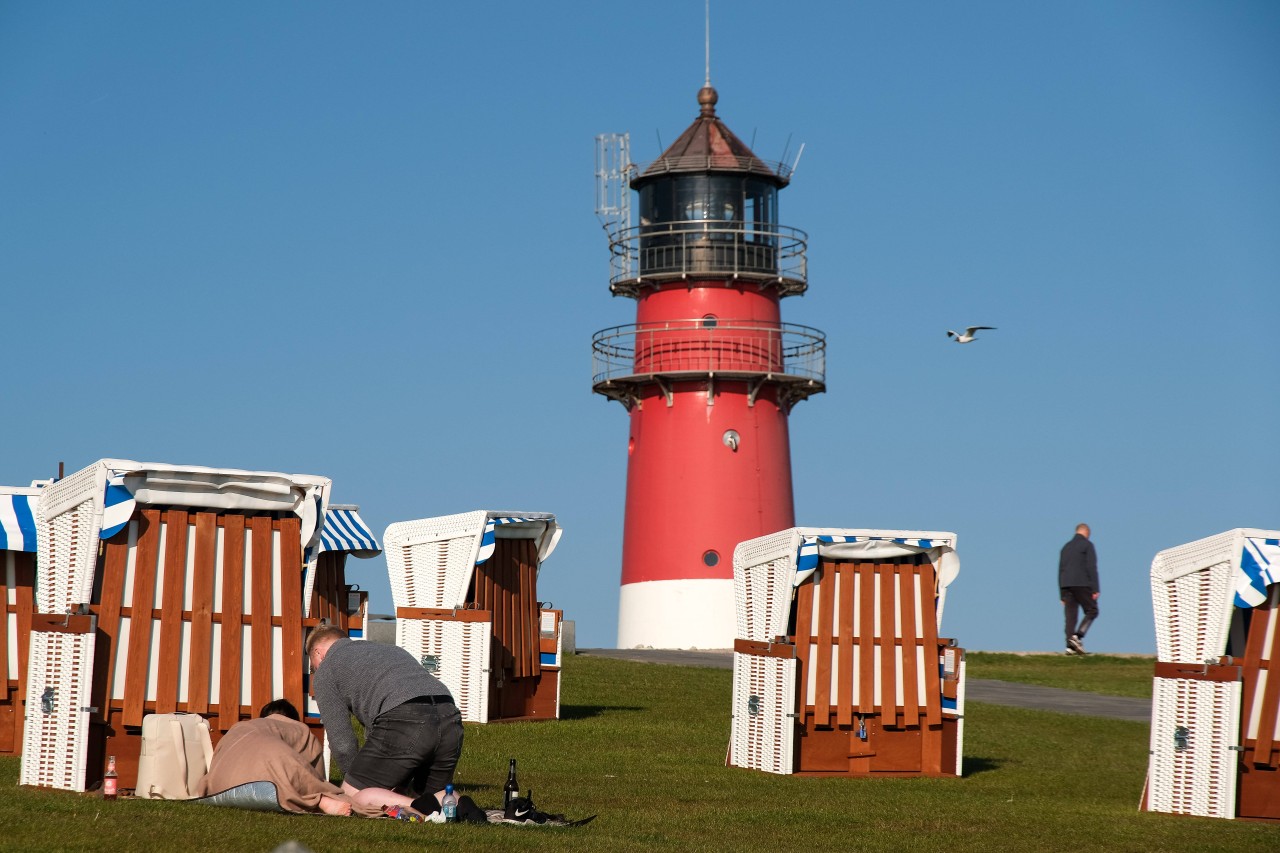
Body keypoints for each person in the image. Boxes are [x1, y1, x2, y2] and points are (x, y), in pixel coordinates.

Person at [306, 625, 475, 820]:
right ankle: (460, 804)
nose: (315, 670)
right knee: (435, 802)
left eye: (313, 666)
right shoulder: (389, 650)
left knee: (353, 799)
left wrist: (356, 778)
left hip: (405, 717)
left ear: (318, 653)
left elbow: (342, 744)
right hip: (449, 717)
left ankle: (416, 804)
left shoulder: (327, 668)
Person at [194, 699, 417, 817]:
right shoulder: (297, 729)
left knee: (272, 776)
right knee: (304, 783)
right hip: (271, 761)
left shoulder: (241, 728)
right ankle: (318, 802)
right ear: (290, 718)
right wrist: (325, 791)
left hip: (221, 782)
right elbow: (314, 775)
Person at [1059, 523, 1099, 655]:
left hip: (1066, 584)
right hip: (1082, 583)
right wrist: (1095, 588)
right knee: (1092, 610)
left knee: (1070, 616)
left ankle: (1069, 647)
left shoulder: (1065, 547)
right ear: (1086, 533)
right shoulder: (1087, 545)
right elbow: (1091, 567)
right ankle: (1078, 636)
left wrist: (1062, 594)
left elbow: (1061, 569)